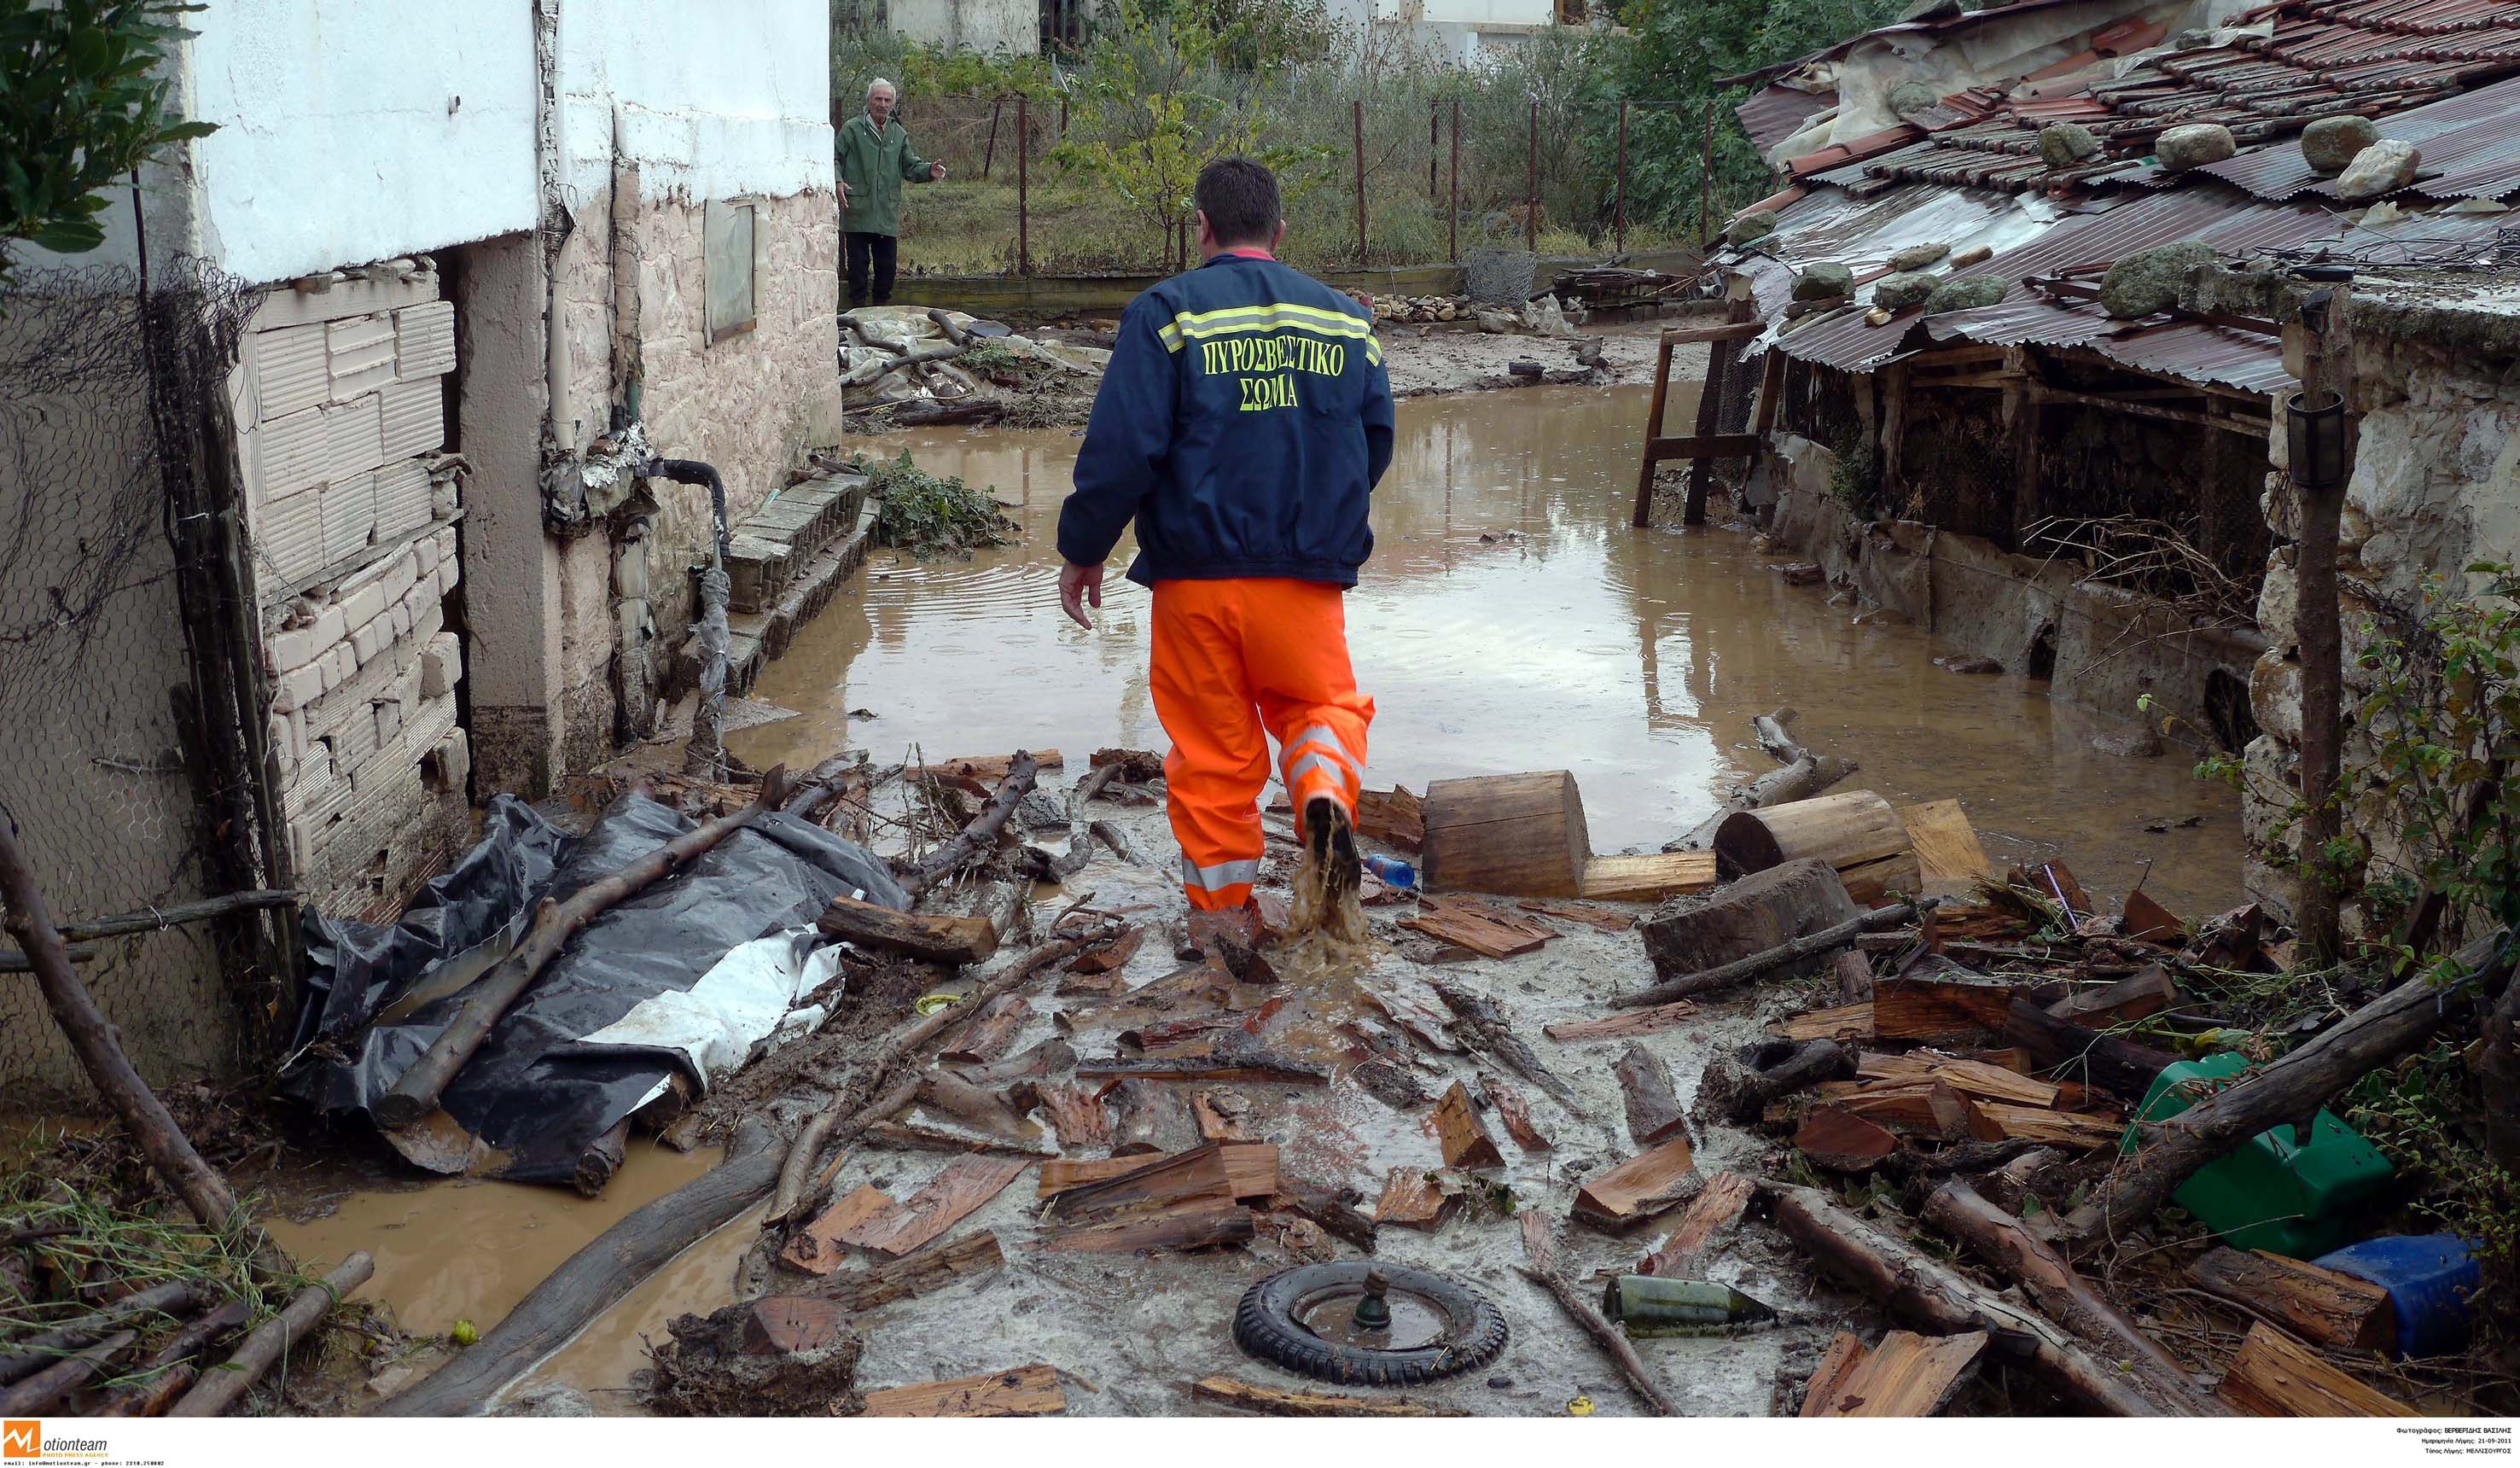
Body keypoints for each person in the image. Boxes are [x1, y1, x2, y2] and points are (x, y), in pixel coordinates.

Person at [1055, 157, 1396, 932]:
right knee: (1318, 708)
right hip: (1304, 583)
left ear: (1202, 228)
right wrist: (1316, 518)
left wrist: (1084, 547)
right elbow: (1374, 443)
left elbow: (1122, 449)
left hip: (1193, 582)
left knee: (1212, 757)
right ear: (1279, 231)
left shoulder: (1165, 313)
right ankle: (1319, 796)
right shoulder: (1346, 321)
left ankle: (1222, 920)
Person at [836, 78, 945, 309]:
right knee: (858, 266)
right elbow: (834, 157)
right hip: (857, 209)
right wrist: (838, 181)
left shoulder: (898, 134)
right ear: (868, 101)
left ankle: (881, 312)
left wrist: (929, 170)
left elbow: (910, 166)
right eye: (878, 99)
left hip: (886, 210)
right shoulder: (852, 129)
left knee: (886, 267)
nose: (883, 104)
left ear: (893, 103)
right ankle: (858, 313)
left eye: (887, 100)